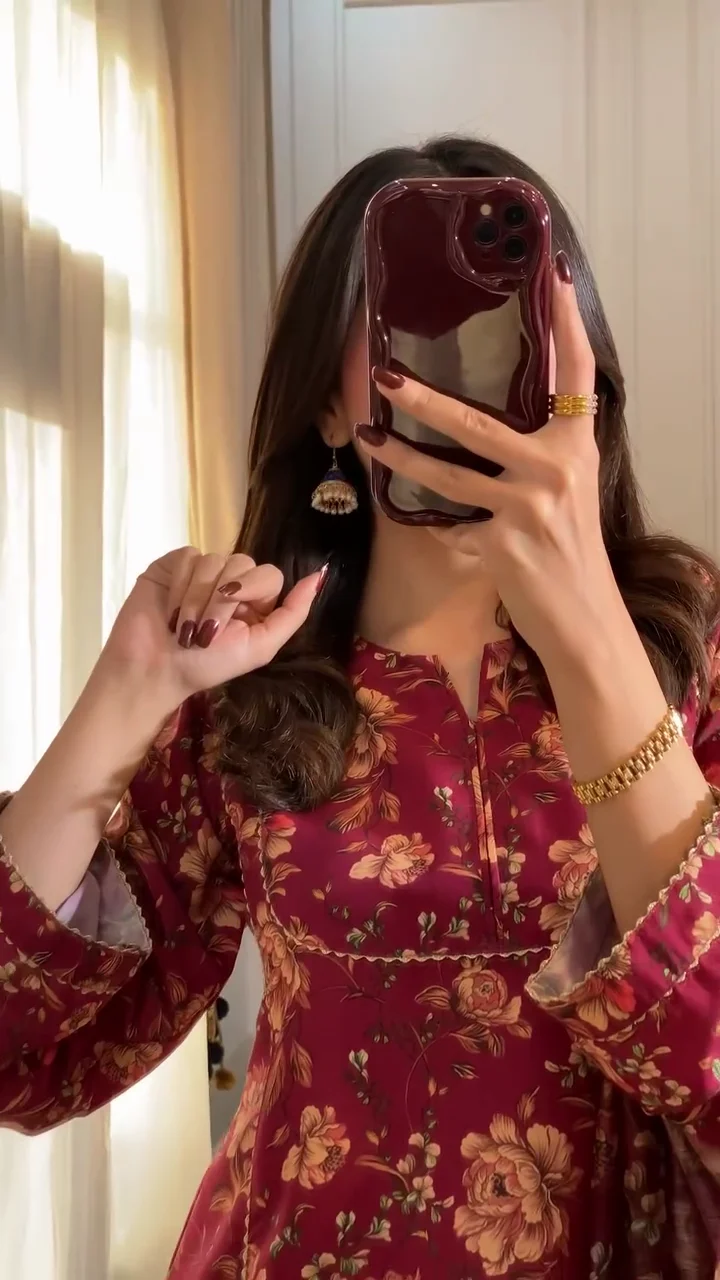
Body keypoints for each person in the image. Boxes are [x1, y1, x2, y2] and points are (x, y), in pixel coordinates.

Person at [1, 137, 720, 1280]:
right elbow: (22, 1053)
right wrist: (121, 696)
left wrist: (590, 626)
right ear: (331, 403)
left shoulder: (684, 651)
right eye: (411, 328)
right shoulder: (244, 687)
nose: (461, 370)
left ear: (572, 369)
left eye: (508, 330)